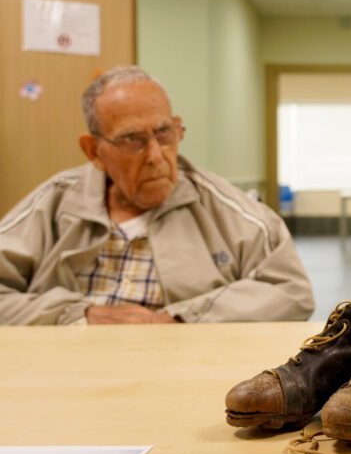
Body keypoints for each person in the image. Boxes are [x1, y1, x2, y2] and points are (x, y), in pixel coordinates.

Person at [0, 66, 314, 325]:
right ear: (94, 150)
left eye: (164, 134)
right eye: (132, 139)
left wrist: (176, 320)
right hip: (63, 374)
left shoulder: (228, 209)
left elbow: (291, 292)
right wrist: (80, 315)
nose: (155, 156)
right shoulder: (55, 203)